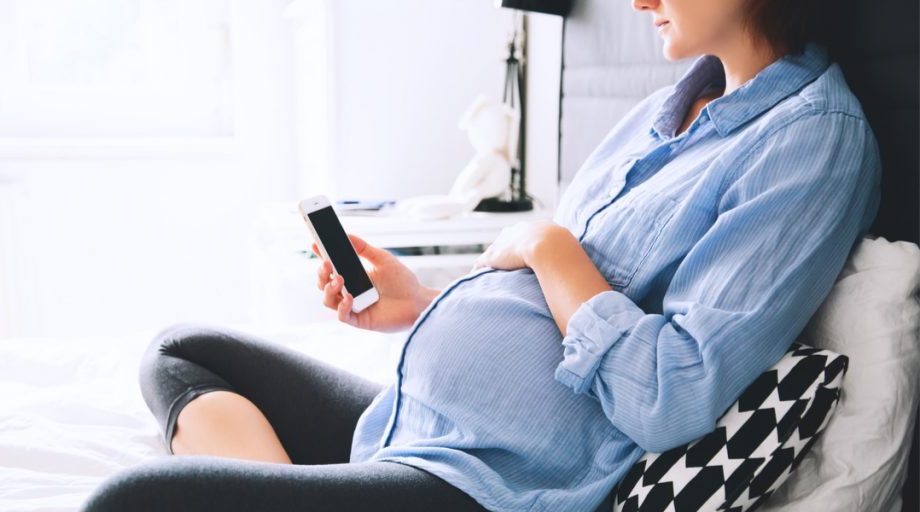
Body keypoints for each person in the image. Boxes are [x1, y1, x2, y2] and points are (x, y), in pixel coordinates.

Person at [83, 0, 879, 509]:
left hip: (496, 479)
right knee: (180, 354)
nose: (637, 1)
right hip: (417, 424)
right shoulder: (657, 110)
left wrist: (547, 241)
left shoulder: (813, 140)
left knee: (129, 501)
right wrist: (425, 302)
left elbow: (669, 395)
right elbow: (548, 310)